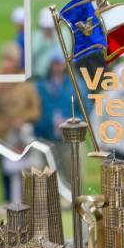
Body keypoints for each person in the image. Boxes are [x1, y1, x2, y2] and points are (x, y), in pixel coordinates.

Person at [0, 43, 39, 203]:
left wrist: (23, 119)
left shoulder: (25, 83)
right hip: (2, 135)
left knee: (24, 171)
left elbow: (35, 110)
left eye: (10, 60)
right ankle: (8, 202)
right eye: (5, 59)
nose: (6, 63)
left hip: (20, 137)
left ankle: (27, 202)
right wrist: (0, 85)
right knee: (5, 171)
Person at [33, 49, 76, 184]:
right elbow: (35, 111)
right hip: (46, 138)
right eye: (54, 63)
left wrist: (71, 123)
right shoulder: (40, 86)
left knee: (71, 176)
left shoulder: (74, 85)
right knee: (48, 178)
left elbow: (84, 110)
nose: (57, 67)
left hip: (69, 141)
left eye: (60, 63)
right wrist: (45, 124)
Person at [32, 11, 59, 79]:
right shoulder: (36, 35)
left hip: (56, 73)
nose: (48, 30)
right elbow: (33, 52)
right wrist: (44, 41)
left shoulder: (60, 35)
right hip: (39, 73)